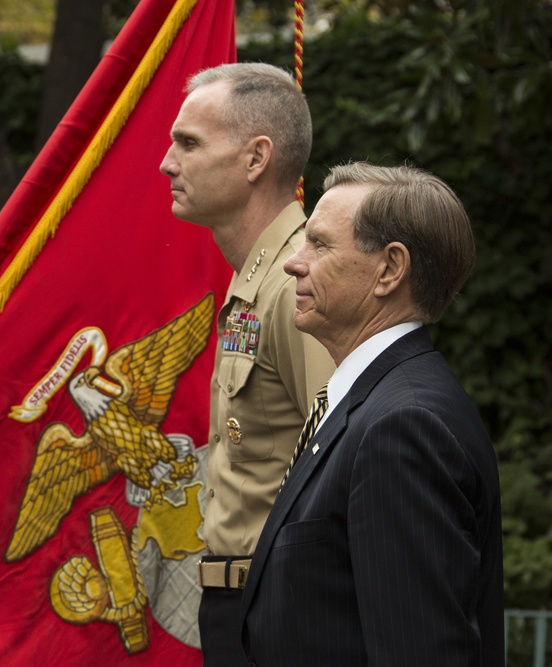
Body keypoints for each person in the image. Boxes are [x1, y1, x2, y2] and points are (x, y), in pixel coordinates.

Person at [241, 162, 504, 665]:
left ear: (389, 269)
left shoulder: (404, 426)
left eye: (318, 244)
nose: (294, 263)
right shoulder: (374, 403)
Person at [159, 62, 334, 665]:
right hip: (247, 605)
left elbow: (342, 462)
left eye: (188, 142)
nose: (167, 162)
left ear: (256, 159)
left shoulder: (295, 287)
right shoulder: (257, 283)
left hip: (284, 608)